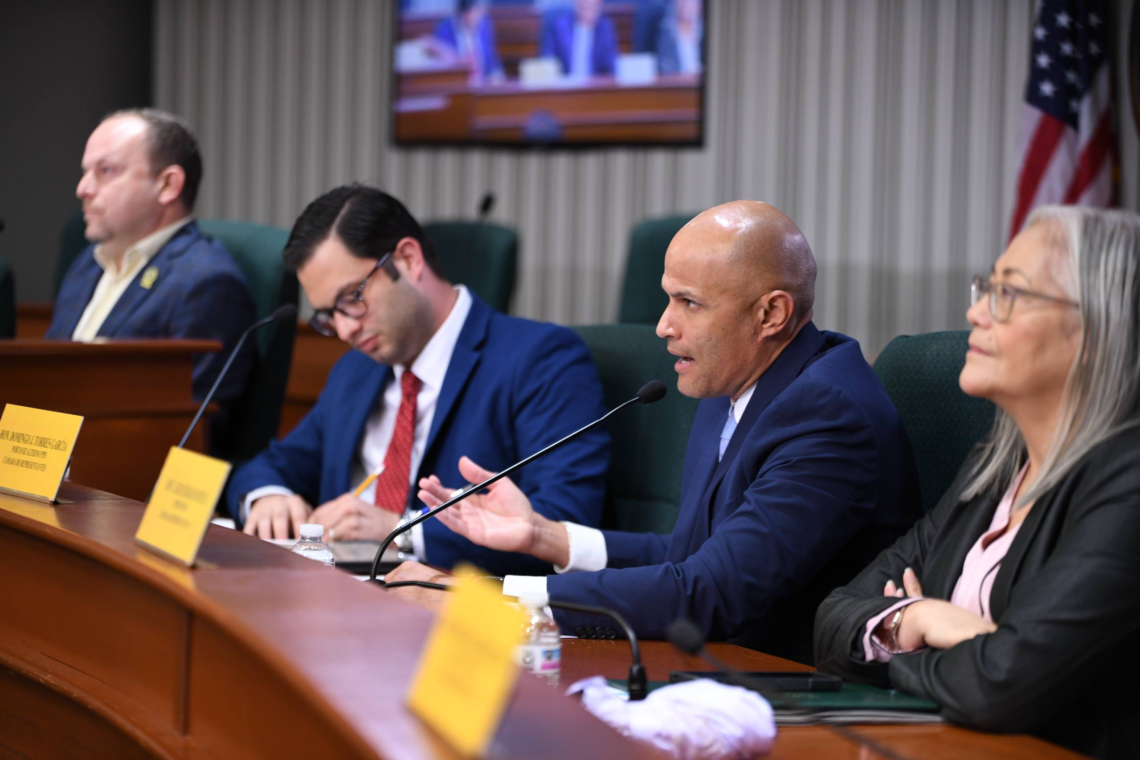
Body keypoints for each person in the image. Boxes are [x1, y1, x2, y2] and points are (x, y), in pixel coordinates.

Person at [387, 201, 920, 664]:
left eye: (689, 303)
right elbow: (692, 556)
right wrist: (543, 536)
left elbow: (713, 590)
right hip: (714, 668)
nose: (664, 325)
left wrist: (493, 600)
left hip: (799, 698)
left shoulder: (827, 415)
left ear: (771, 314)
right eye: (667, 298)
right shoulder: (733, 382)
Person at [813, 206, 1140, 759]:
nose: (976, 312)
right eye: (985, 288)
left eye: (1008, 294)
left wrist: (898, 642)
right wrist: (918, 619)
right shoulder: (992, 467)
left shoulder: (1127, 484)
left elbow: (1000, 685)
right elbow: (832, 619)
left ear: (1097, 327)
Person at [227, 184, 609, 577]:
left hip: (457, 613)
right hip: (338, 596)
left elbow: (563, 525)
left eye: (351, 298)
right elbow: (271, 465)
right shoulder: (355, 371)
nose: (344, 329)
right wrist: (268, 497)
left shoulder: (539, 359)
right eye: (328, 315)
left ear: (409, 259)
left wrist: (401, 531)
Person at [47, 109, 256, 437]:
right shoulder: (87, 263)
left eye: (106, 171)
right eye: (85, 172)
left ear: (167, 184)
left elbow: (188, 428)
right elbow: (46, 383)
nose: (83, 188)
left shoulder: (207, 283)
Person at [540, 0, 619, 79]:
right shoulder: (560, 27)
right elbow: (548, 61)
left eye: (593, 6)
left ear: (600, 6)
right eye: (585, 6)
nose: (589, 9)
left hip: (595, 87)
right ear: (576, 3)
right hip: (565, 86)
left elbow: (611, 66)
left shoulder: (605, 28)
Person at [430, 0, 504, 83]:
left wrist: (497, 76)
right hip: (457, 84)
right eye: (472, 13)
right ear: (462, 14)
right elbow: (441, 64)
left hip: (483, 83)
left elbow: (491, 60)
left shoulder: (484, 25)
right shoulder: (445, 30)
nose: (476, 18)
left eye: (478, 13)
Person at [656, 0, 703, 75]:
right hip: (676, 81)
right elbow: (663, 64)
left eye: (691, 4)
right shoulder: (666, 31)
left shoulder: (706, 31)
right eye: (683, 4)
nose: (687, 7)